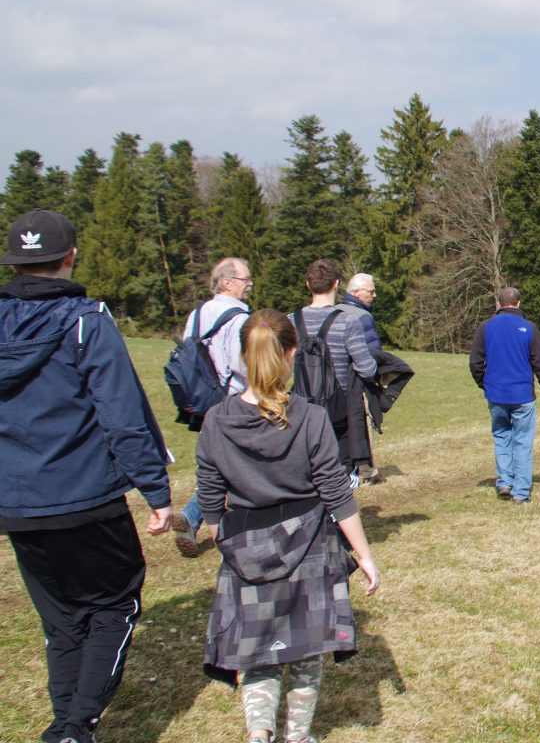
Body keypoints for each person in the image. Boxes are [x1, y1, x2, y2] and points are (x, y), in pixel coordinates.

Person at [0, 209, 174, 743]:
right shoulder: (86, 320)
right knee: (115, 604)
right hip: (83, 496)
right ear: (70, 257)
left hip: (20, 504)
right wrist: (156, 490)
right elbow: (120, 413)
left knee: (63, 620)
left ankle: (67, 726)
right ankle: (75, 726)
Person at [196, 309, 381, 743]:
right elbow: (337, 494)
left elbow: (209, 501)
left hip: (243, 541)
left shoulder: (216, 421)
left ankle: (259, 734)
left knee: (258, 650)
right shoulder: (311, 417)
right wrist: (365, 555)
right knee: (307, 648)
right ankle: (297, 736)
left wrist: (225, 543)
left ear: (243, 356)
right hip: (312, 545)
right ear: (292, 353)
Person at [174, 257, 253, 558]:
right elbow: (240, 364)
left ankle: (194, 517)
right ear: (227, 282)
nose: (249, 285)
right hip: (231, 401)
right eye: (245, 279)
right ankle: (198, 515)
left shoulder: (197, 314)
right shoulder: (239, 316)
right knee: (238, 465)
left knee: (216, 464)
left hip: (200, 402)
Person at [293, 260, 378, 485]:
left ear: (308, 285)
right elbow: (366, 369)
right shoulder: (347, 322)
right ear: (337, 284)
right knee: (339, 468)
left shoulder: (292, 321)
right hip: (337, 406)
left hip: (299, 405)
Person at [469, 287, 540, 503]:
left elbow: (475, 363)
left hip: (496, 394)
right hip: (523, 395)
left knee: (501, 437)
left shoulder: (485, 328)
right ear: (518, 303)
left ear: (498, 304)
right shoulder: (529, 328)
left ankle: (505, 482)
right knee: (522, 442)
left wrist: (484, 384)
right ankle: (521, 491)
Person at [339, 273, 382, 351]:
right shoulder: (363, 316)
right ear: (356, 292)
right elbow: (374, 352)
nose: (375, 295)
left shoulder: (334, 310)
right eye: (371, 292)